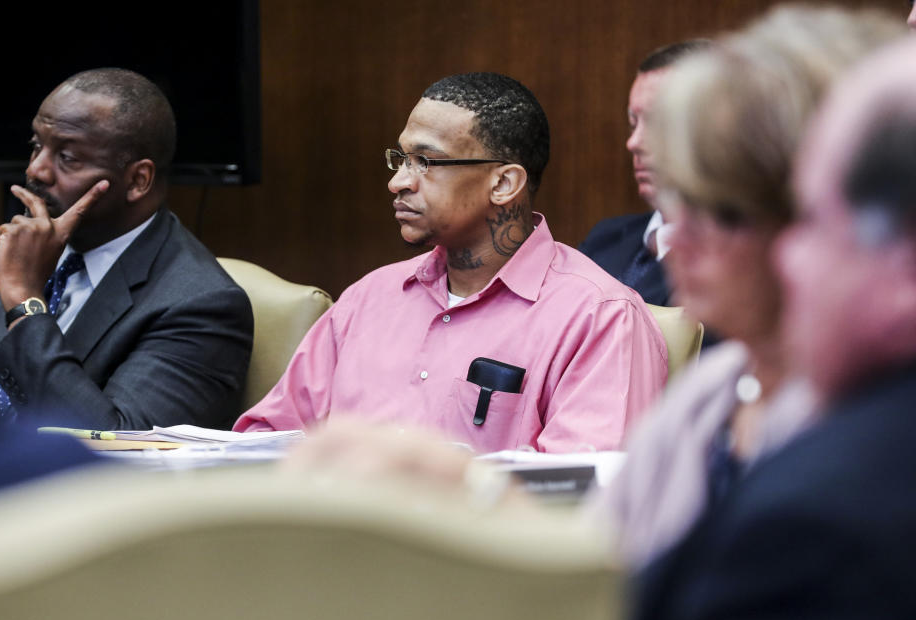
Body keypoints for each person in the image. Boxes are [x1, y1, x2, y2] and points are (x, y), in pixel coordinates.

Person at [592, 5, 905, 571]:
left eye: (724, 211)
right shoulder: (713, 391)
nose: (677, 238)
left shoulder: (874, 443)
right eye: (679, 200)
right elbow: (587, 570)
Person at [235, 72, 668, 452]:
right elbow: (266, 440)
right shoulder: (370, 298)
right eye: (401, 159)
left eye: (425, 162)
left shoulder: (600, 318)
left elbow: (583, 500)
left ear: (503, 183)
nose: (398, 182)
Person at [0, 68, 254, 430]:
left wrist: (25, 303)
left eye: (67, 157)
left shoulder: (201, 305)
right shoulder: (6, 250)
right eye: (37, 145)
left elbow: (120, 444)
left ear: (137, 180)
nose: (36, 170)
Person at [578, 40, 709, 307]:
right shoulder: (603, 240)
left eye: (659, 122)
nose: (634, 143)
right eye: (633, 123)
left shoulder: (741, 261)